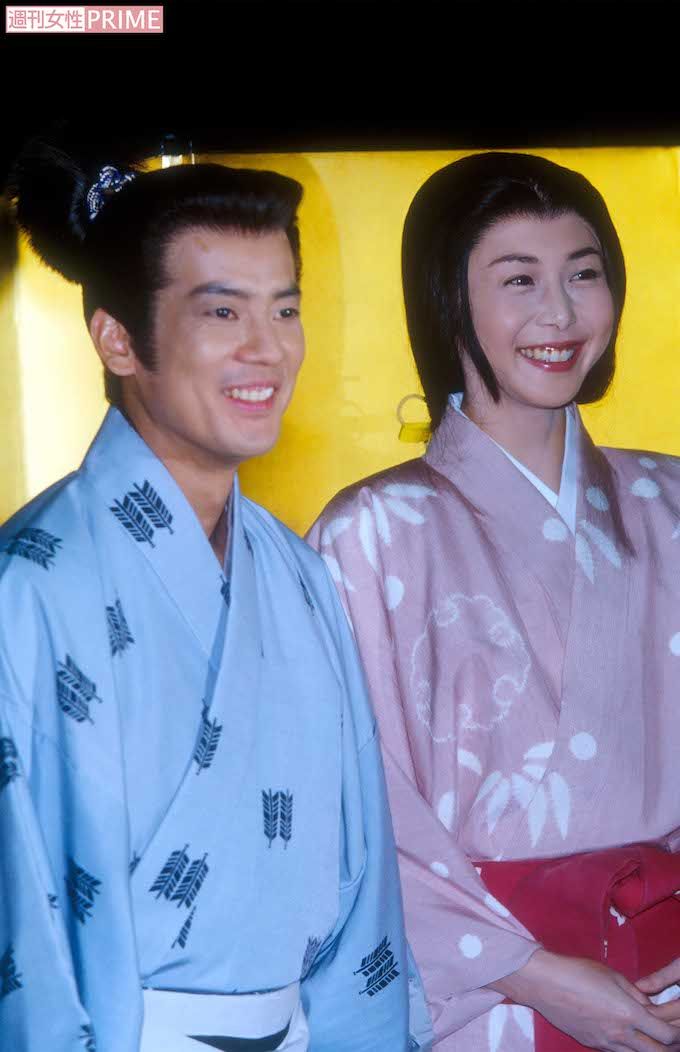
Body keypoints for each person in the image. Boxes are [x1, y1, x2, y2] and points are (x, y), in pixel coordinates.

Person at [0, 131, 418, 1052]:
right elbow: (20, 920)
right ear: (118, 338)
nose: (268, 351)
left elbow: (362, 881)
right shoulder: (32, 581)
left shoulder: (298, 574)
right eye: (223, 312)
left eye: (286, 310)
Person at [307, 152, 680, 1052]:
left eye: (583, 274)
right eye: (519, 280)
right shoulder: (371, 533)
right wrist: (533, 971)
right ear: (449, 299)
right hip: (487, 999)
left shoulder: (671, 504)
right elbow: (346, 808)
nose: (560, 315)